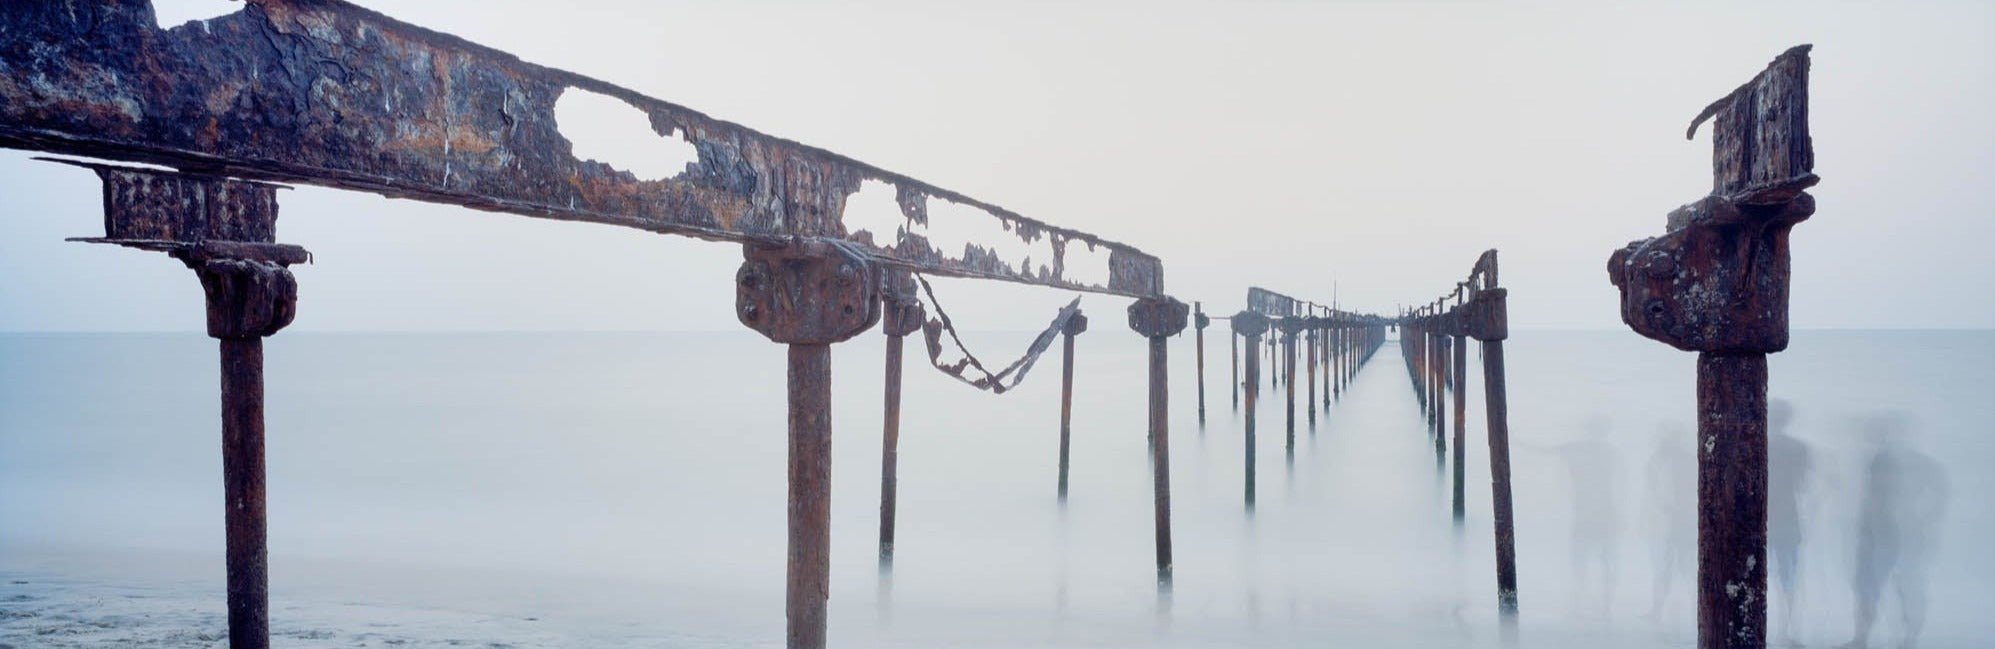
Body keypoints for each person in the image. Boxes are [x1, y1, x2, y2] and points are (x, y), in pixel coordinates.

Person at [1838, 413, 1950, 649]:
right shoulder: (1882, 460)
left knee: (1887, 585)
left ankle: (1898, 637)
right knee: (1873, 586)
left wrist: (1925, 517)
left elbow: (1936, 487)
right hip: (1876, 534)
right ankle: (1870, 637)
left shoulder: (1890, 462)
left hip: (1885, 535)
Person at [1525, 416, 1621, 619]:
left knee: (1581, 561)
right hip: (1605, 514)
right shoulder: (1610, 454)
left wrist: (1515, 441)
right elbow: (1622, 486)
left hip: (1586, 514)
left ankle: (1581, 605)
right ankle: (1605, 607)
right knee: (1604, 561)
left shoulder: (1577, 450)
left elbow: (1544, 450)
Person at [1768, 399, 1813, 645]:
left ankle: (1781, 630)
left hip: (1764, 519)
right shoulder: (1798, 448)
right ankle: (1785, 630)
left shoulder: (1756, 443)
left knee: (1767, 575)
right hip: (1786, 518)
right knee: (1788, 578)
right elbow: (1804, 485)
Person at [1641, 422, 1694, 624]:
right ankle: (1658, 609)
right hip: (1673, 522)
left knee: (1680, 566)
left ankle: (1662, 609)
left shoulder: (1679, 461)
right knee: (1669, 566)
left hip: (1680, 522)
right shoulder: (1663, 461)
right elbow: (1653, 489)